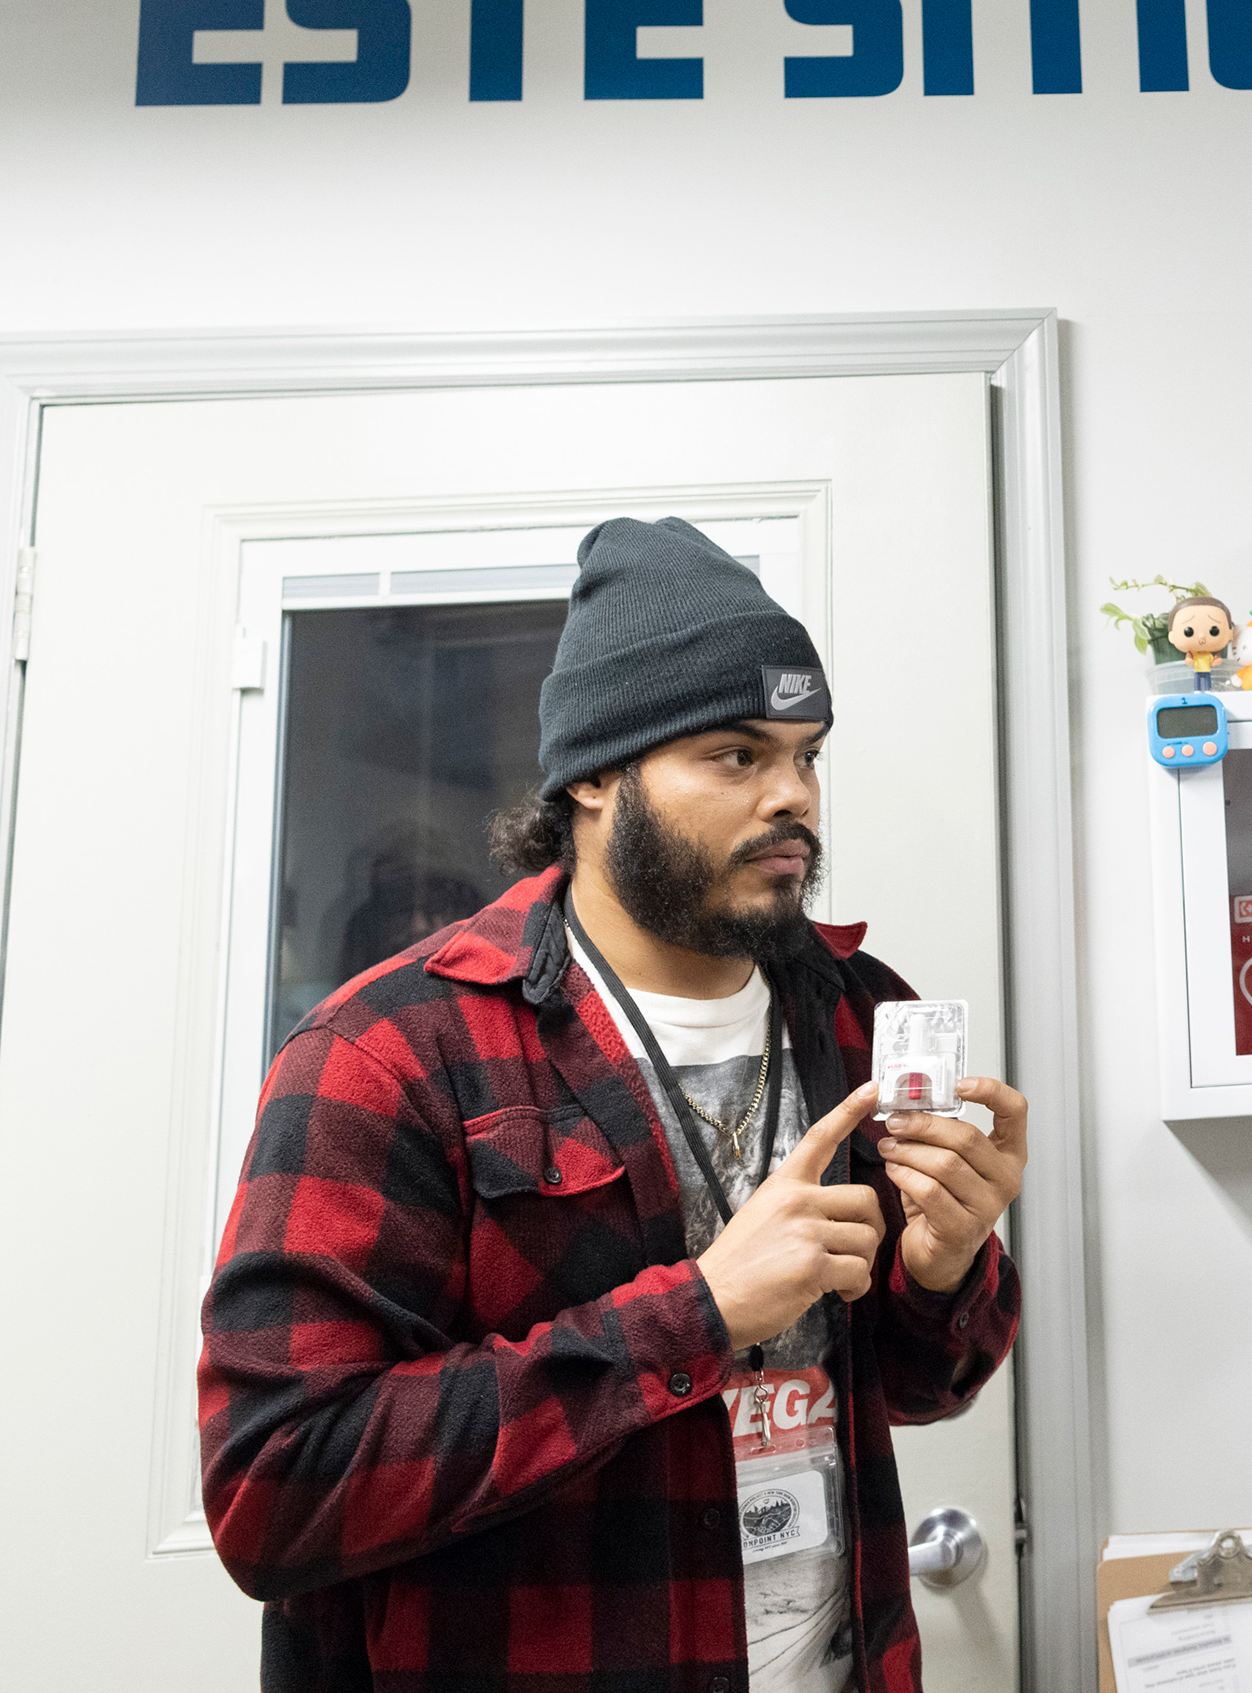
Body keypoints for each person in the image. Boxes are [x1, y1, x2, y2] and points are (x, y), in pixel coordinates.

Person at [201, 516, 1026, 1692]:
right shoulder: (392, 1053)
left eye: (807, 754)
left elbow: (910, 1386)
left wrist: (945, 1270)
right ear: (592, 775)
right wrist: (695, 1314)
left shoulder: (855, 1016)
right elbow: (274, 1490)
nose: (793, 798)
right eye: (737, 757)